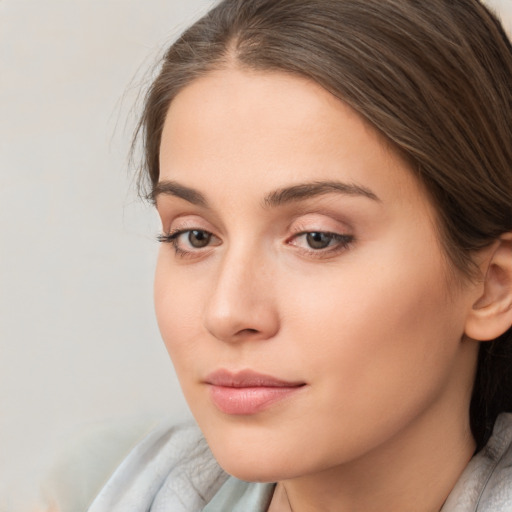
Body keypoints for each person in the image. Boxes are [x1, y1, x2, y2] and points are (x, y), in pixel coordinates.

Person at [58, 0, 512, 510]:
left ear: (493, 285)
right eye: (195, 236)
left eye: (317, 237)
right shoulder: (95, 488)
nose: (226, 313)